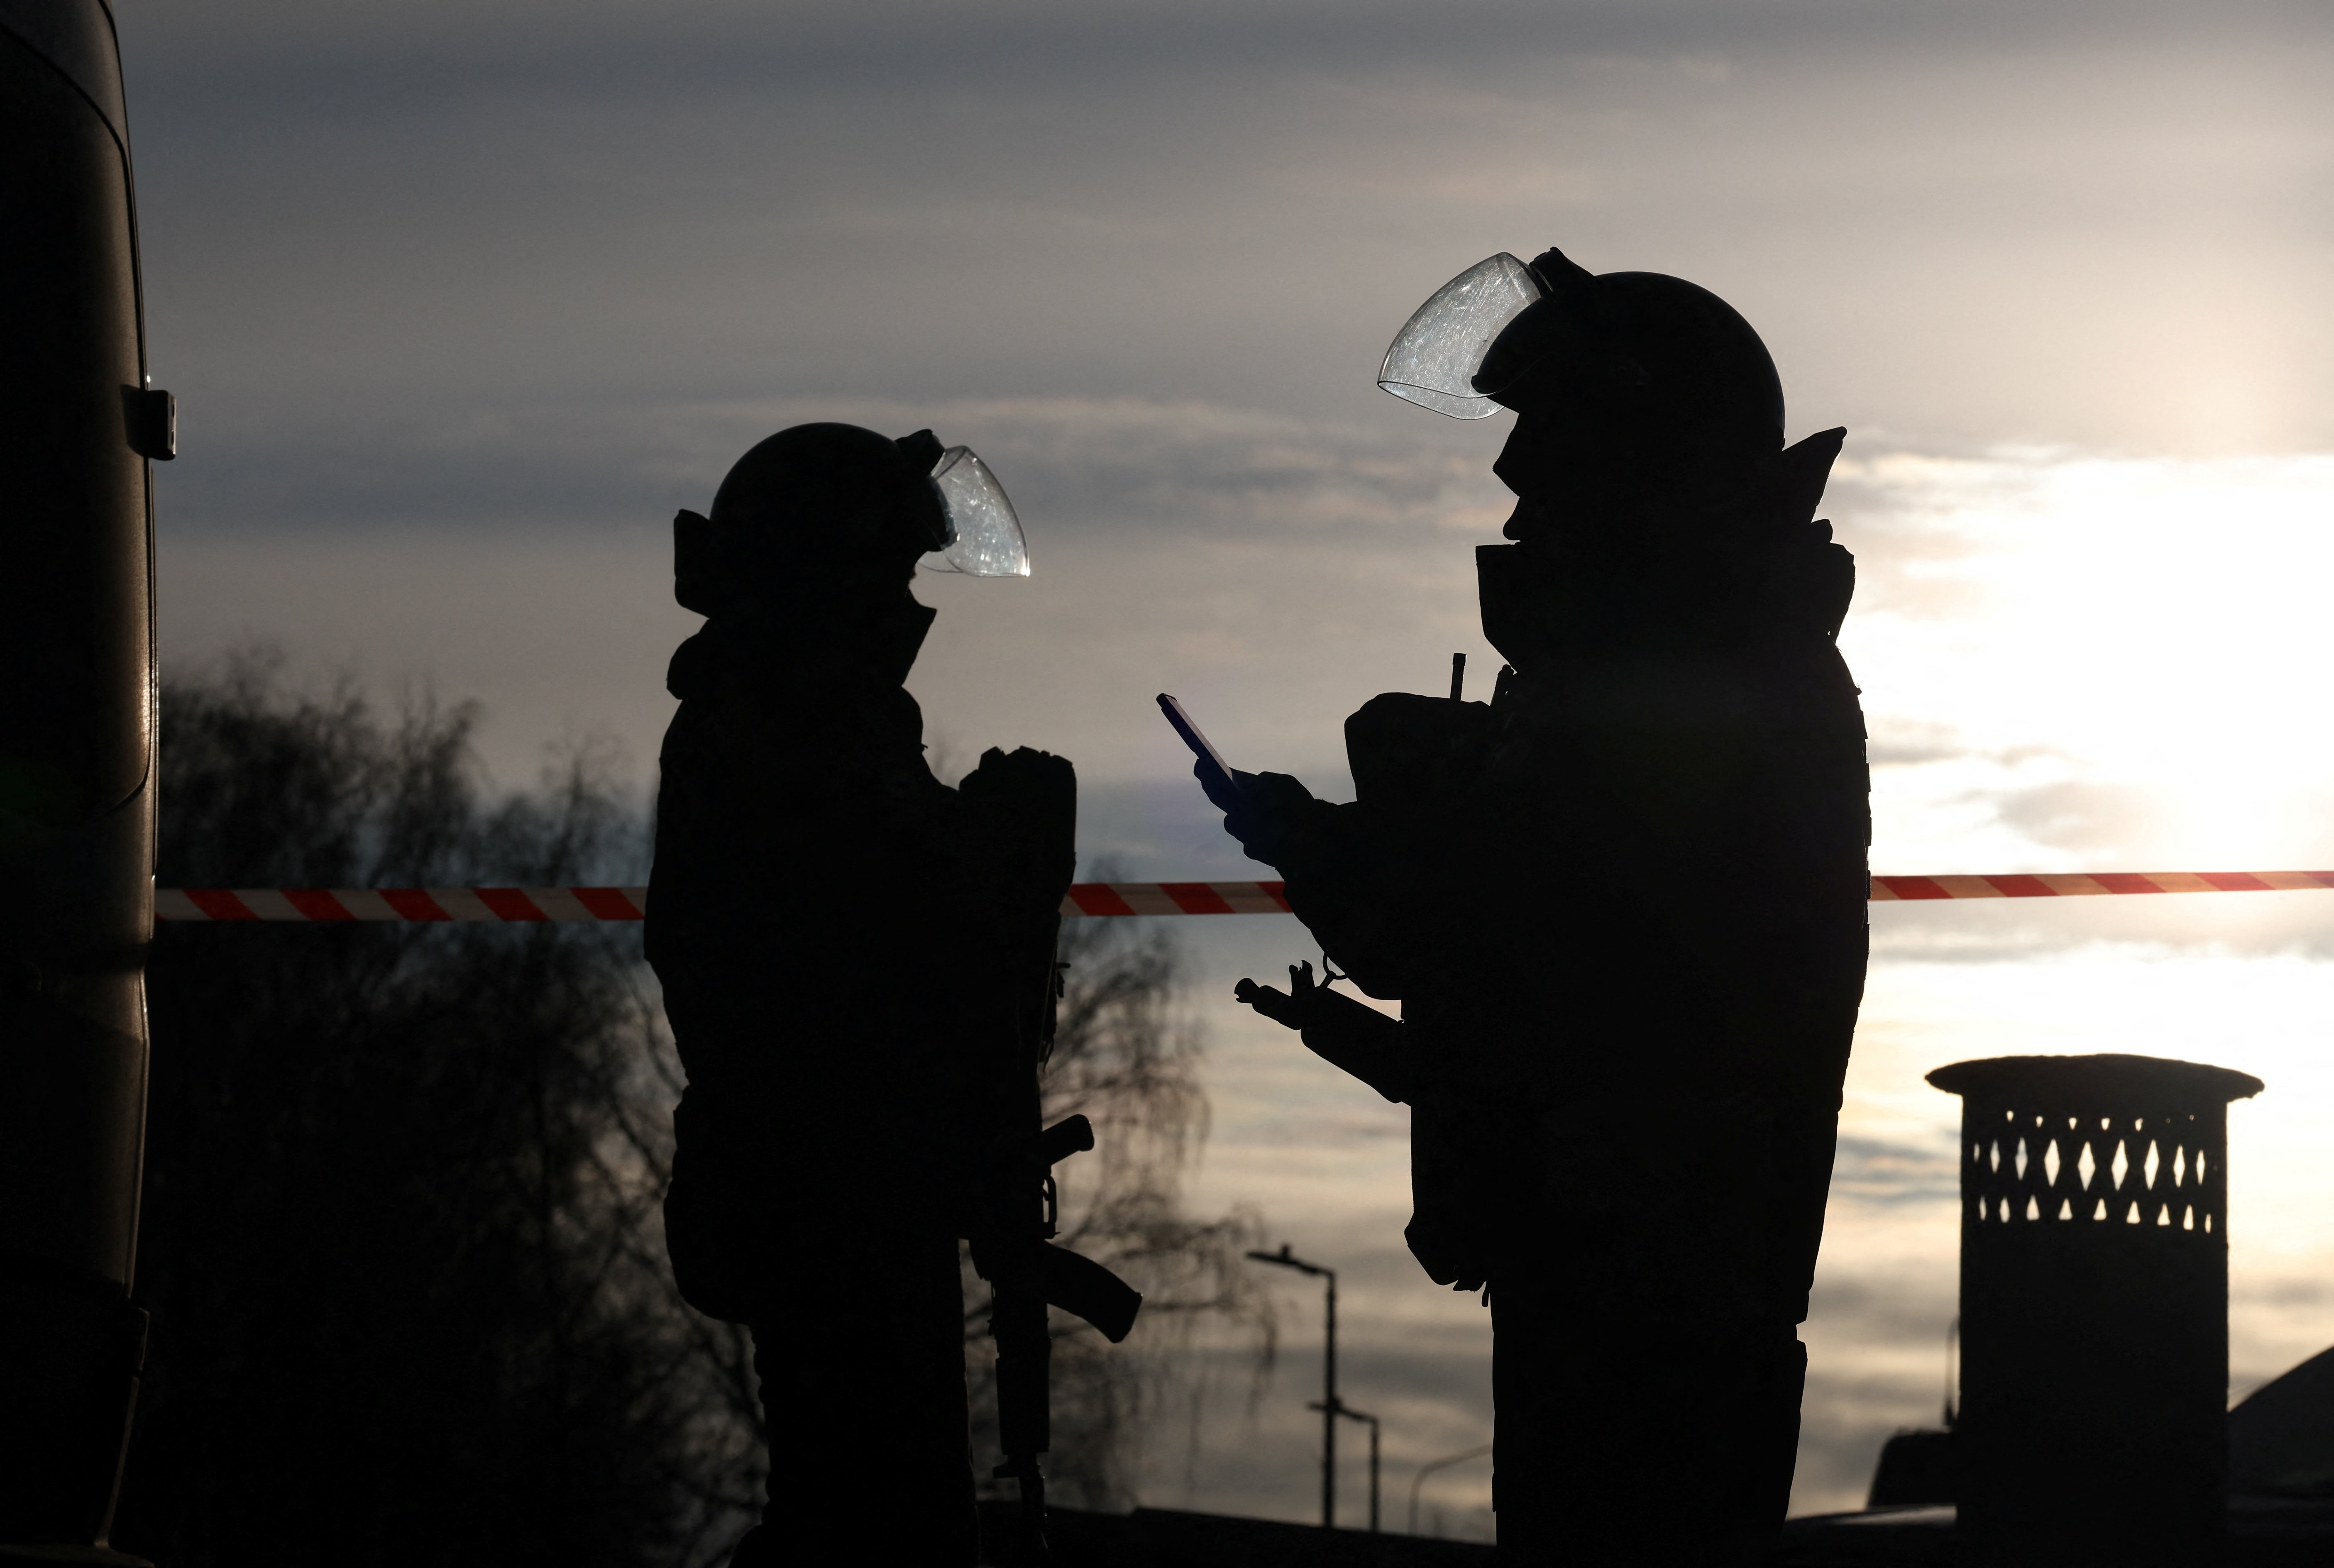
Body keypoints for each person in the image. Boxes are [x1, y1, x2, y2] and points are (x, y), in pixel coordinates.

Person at [1214, 247, 1869, 1564]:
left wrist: (1318, 844)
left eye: (1546, 448)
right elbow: (1576, 1009)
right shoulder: (1709, 661)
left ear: (1635, 464)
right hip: (1631, 1294)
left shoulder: (1684, 685)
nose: (1514, 488)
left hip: (1647, 1320)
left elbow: (1501, 929)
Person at [647, 422, 1070, 1567]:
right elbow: (864, 951)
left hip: (856, 1189)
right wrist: (993, 856)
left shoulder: (813, 726)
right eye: (887, 579)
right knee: (870, 1527)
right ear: (818, 585)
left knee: (873, 1514)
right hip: (824, 1192)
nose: (905, 611)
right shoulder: (777, 735)